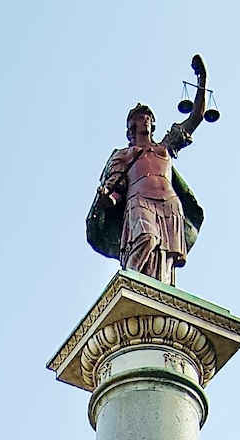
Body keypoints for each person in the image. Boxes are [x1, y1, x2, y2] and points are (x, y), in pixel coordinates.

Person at [87, 55, 208, 285]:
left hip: (169, 203)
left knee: (164, 261)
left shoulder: (164, 148)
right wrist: (107, 201)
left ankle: (158, 297)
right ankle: (128, 287)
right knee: (146, 237)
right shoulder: (124, 155)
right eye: (140, 119)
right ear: (131, 127)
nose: (145, 122)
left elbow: (195, 118)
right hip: (139, 201)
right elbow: (116, 189)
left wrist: (202, 80)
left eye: (148, 119)